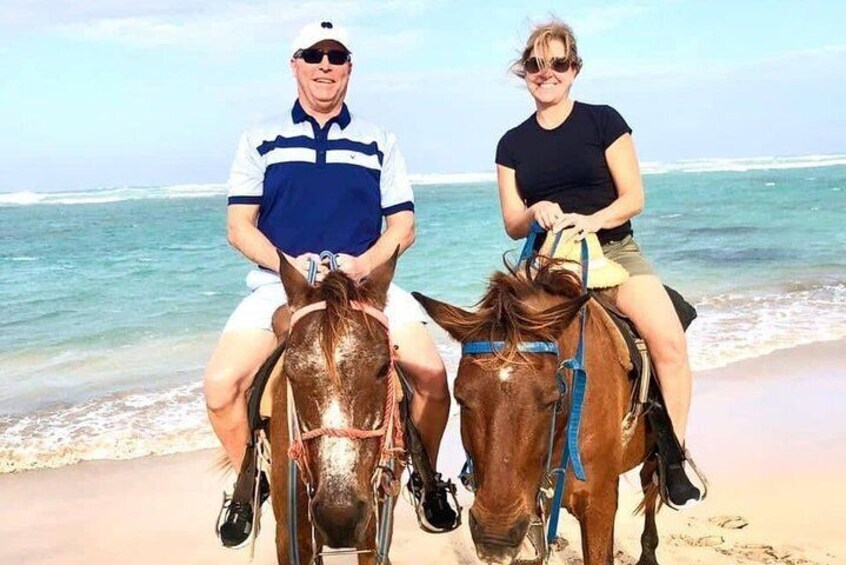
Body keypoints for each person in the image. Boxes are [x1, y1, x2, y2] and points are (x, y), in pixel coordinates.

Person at [203, 21, 459, 548]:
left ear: (349, 68)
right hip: (280, 288)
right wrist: (292, 266)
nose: (325, 65)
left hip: (364, 290)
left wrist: (362, 266)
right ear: (294, 64)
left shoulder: (379, 140)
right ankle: (249, 483)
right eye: (314, 55)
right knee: (221, 387)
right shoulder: (260, 139)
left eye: (336, 56)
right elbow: (238, 228)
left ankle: (426, 478)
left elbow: (403, 227)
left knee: (433, 377)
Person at [495, 18, 704, 509]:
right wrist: (536, 212)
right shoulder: (511, 144)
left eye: (558, 63)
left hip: (613, 250)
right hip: (549, 261)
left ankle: (672, 456)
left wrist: (589, 221)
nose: (547, 73)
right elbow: (511, 222)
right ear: (523, 72)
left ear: (575, 69)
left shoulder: (603, 121)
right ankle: (494, 463)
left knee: (669, 342)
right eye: (536, 65)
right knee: (497, 350)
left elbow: (633, 198)